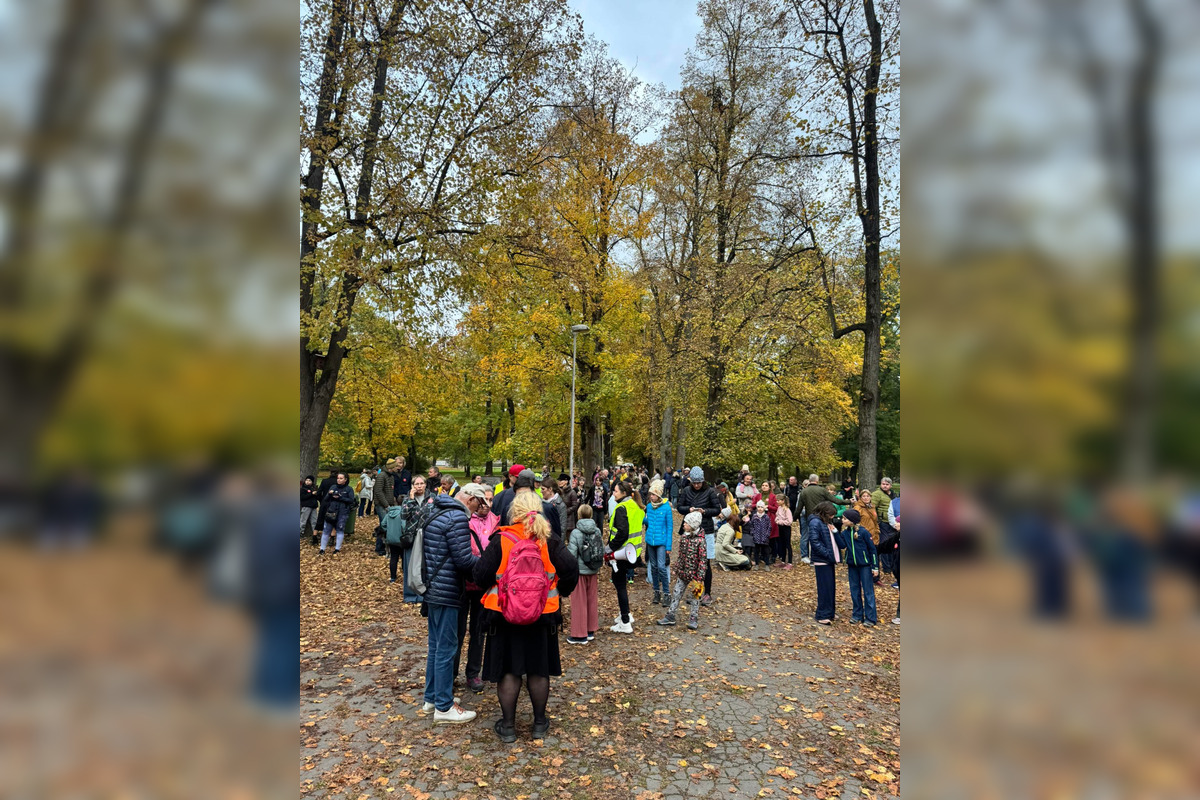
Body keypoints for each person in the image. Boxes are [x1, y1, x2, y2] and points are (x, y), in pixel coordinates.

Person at [472, 491, 579, 742]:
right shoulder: (548, 540)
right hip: (542, 616)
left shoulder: (502, 539)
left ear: (514, 513)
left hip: (504, 616)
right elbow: (571, 568)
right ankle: (539, 724)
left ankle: (508, 726)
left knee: (509, 670)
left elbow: (480, 575)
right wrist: (561, 591)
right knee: (538, 669)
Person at [418, 478, 481, 724]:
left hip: (433, 588)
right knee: (446, 648)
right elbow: (464, 560)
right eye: (478, 506)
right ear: (471, 499)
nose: (477, 511)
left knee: (436, 646)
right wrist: (488, 565)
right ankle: (444, 707)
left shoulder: (438, 510)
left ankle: (432, 698)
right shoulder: (456, 518)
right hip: (447, 591)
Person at [456, 482, 496, 694]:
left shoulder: (496, 522)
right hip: (463, 584)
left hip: (483, 585)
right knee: (458, 631)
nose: (486, 505)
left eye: (490, 500)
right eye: (484, 500)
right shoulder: (463, 518)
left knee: (478, 632)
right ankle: (452, 672)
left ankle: (473, 673)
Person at [676, 466, 721, 605]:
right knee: (691, 562)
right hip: (690, 530)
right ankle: (696, 592)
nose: (696, 485)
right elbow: (679, 507)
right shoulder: (687, 491)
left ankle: (707, 593)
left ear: (703, 481)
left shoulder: (710, 492)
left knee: (705, 563)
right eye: (694, 483)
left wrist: (704, 511)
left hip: (705, 530)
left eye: (699, 483)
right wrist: (689, 509)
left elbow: (716, 509)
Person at [657, 511, 707, 630]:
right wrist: (677, 568)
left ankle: (693, 618)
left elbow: (703, 560)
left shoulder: (701, 541)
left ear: (693, 525)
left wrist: (700, 577)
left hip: (696, 576)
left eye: (686, 522)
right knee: (676, 592)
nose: (683, 524)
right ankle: (670, 615)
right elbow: (681, 556)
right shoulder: (684, 538)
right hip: (684, 572)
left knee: (696, 597)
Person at [607, 480, 644, 633]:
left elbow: (622, 532)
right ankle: (626, 614)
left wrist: (610, 548)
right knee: (619, 582)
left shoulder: (622, 508)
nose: (613, 494)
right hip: (633, 552)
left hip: (621, 552)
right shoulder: (634, 505)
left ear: (623, 493)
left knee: (619, 583)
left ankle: (625, 621)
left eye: (615, 491)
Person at [565, 504, 602, 644]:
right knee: (591, 599)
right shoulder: (597, 531)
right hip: (593, 569)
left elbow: (572, 554)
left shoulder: (576, 532)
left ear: (579, 515)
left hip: (580, 571)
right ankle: (590, 630)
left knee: (579, 601)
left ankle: (579, 635)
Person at [838, 508, 879, 626]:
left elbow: (872, 550)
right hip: (852, 566)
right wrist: (835, 533)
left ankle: (870, 618)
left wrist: (875, 566)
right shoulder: (845, 533)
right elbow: (841, 545)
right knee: (854, 590)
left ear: (851, 520)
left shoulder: (863, 532)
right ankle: (857, 615)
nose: (842, 520)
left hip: (865, 566)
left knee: (868, 592)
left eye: (844, 518)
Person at [398, 476, 436, 602]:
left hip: (427, 535)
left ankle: (423, 593)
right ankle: (410, 595)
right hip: (411, 536)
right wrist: (411, 500)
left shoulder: (432, 498)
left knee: (424, 565)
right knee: (410, 565)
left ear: (425, 484)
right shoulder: (407, 498)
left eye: (421, 483)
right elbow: (403, 515)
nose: (419, 486)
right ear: (412, 485)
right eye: (416, 484)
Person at [807, 501, 841, 624]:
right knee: (824, 588)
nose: (832, 517)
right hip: (822, 560)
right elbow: (815, 541)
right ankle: (822, 614)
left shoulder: (824, 522)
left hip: (829, 560)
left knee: (830, 587)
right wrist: (827, 554)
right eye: (831, 515)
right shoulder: (815, 522)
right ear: (824, 513)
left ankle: (830, 612)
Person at [643, 479, 673, 607]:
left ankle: (666, 593)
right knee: (653, 566)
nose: (651, 497)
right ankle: (656, 592)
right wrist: (643, 519)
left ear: (659, 495)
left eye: (653, 494)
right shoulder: (649, 507)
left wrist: (668, 546)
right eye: (650, 494)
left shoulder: (666, 508)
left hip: (661, 542)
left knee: (661, 567)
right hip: (650, 541)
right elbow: (648, 521)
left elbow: (669, 527)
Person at [800, 475, 839, 564]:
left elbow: (799, 507)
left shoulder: (804, 492)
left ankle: (807, 556)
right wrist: (848, 501)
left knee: (809, 537)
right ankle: (816, 557)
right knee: (817, 537)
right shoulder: (821, 491)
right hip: (818, 517)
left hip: (810, 517)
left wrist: (794, 517)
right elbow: (835, 500)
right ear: (817, 481)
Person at [319, 471, 355, 555]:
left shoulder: (349, 489)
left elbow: (351, 500)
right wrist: (329, 494)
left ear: (345, 479)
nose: (339, 480)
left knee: (340, 529)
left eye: (341, 478)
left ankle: (337, 548)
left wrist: (340, 497)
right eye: (338, 478)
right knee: (326, 530)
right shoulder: (333, 487)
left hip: (343, 512)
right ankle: (322, 549)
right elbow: (326, 499)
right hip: (331, 511)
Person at [873, 477, 897, 579]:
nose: (885, 486)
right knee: (885, 544)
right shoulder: (877, 494)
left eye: (887, 484)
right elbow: (872, 507)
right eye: (883, 484)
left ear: (890, 485)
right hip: (883, 523)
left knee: (893, 545)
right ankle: (886, 567)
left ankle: (892, 565)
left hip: (894, 523)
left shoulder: (893, 494)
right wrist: (877, 520)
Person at [490, 464, 525, 530]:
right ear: (510, 476)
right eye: (518, 478)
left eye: (523, 478)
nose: (521, 480)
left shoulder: (528, 491)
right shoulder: (498, 488)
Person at [747, 500, 772, 569]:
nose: (760, 508)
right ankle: (757, 564)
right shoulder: (754, 517)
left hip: (764, 537)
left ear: (764, 508)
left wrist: (767, 535)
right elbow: (752, 526)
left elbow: (769, 526)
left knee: (766, 551)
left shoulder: (766, 517)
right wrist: (753, 534)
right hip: (756, 537)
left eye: (761, 507)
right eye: (758, 507)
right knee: (756, 551)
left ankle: (767, 564)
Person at [775, 488, 794, 569]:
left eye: (779, 500)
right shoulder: (779, 508)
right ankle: (783, 561)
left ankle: (789, 562)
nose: (777, 502)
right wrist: (777, 520)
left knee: (787, 544)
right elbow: (777, 516)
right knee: (781, 544)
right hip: (780, 528)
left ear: (783, 501)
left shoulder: (787, 510)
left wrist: (781, 522)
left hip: (786, 528)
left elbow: (789, 521)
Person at [301, 475, 320, 539]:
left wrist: (316, 494)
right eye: (307, 480)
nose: (307, 482)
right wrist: (311, 494)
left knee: (314, 521)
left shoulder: (313, 488)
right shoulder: (303, 489)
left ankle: (315, 534)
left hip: (313, 506)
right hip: (306, 506)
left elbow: (317, 497)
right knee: (303, 521)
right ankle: (301, 532)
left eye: (309, 480)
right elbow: (302, 497)